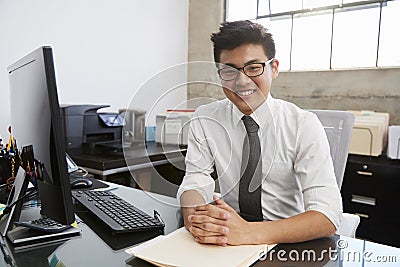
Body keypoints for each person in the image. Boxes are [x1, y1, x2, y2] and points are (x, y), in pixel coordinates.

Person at [177, 20, 342, 246]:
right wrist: (195, 217)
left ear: (273, 68)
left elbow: (327, 215)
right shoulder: (205, 118)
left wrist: (251, 233)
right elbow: (196, 178)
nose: (241, 81)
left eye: (254, 68)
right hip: (228, 236)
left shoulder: (303, 125)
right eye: (229, 71)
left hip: (287, 242)